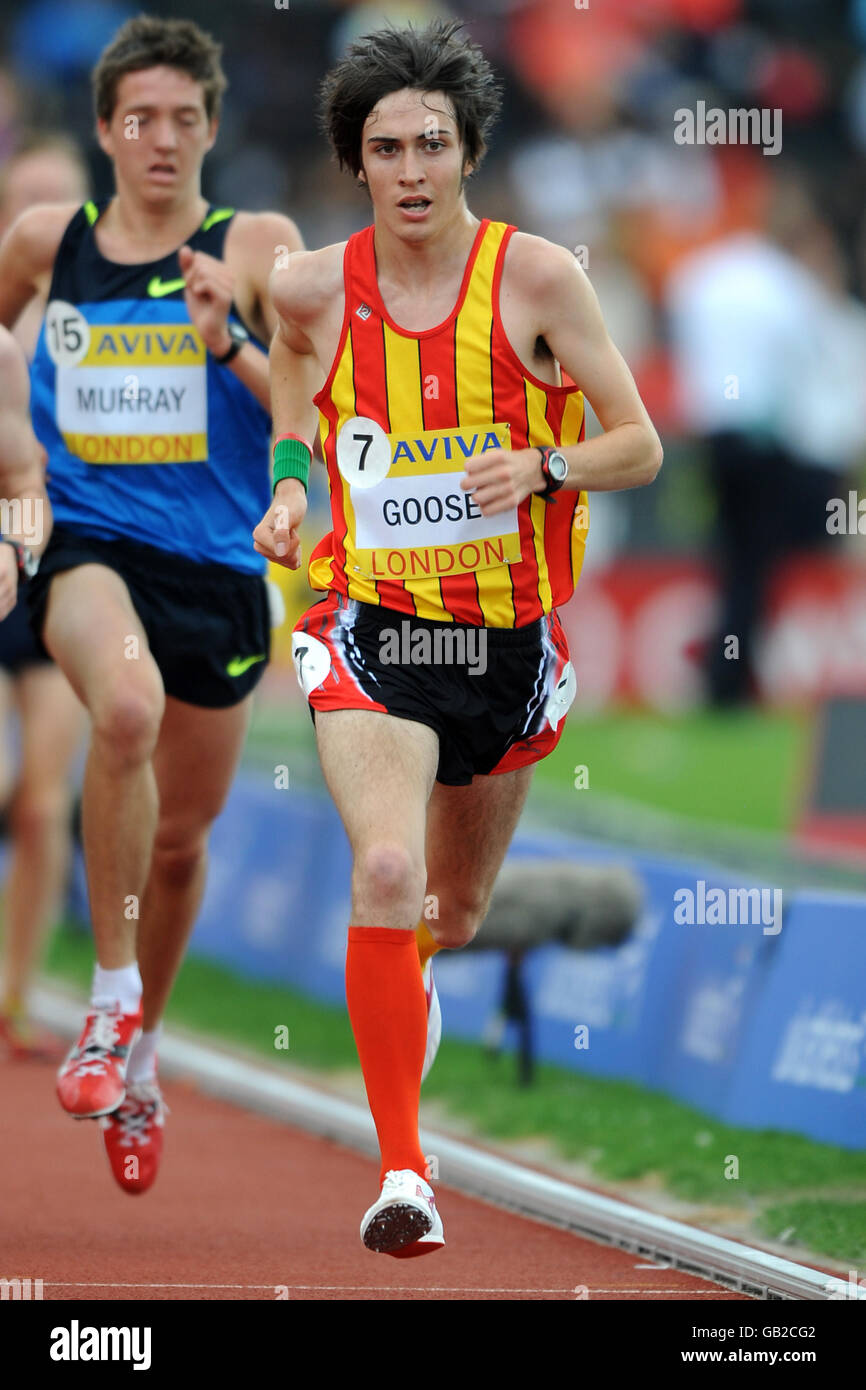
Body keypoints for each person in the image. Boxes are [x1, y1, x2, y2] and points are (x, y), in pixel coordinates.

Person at [253, 20, 662, 1256]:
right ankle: (402, 1170)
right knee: (385, 875)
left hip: (504, 650)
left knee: (453, 909)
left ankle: (406, 985)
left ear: (467, 149)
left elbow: (636, 443)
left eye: (434, 142)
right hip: (369, 629)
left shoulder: (535, 278)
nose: (414, 168)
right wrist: (285, 483)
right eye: (388, 148)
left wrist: (544, 464)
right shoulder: (311, 288)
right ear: (356, 163)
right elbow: (286, 370)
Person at [0, 14, 302, 1192]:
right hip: (87, 543)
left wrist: (228, 340)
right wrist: (16, 453)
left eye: (185, 120)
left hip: (220, 572)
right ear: (105, 130)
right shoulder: (45, 240)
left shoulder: (259, 242)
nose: (164, 140)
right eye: (141, 120)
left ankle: (146, 1049)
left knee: (180, 840)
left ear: (213, 129)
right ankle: (107, 1000)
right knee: (118, 710)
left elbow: (309, 403)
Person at [0, 135, 91, 1061]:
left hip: (65, 572)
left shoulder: (124, 318)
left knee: (39, 803)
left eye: (65, 201)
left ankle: (15, 992)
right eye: (33, 201)